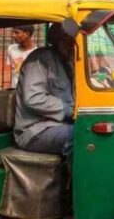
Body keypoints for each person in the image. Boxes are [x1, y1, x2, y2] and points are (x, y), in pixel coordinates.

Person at [14, 22, 76, 156]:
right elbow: (33, 98)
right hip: (36, 130)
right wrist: (69, 110)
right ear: (57, 41)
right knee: (80, 137)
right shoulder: (40, 59)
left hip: (62, 125)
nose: (72, 45)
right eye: (67, 40)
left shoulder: (69, 61)